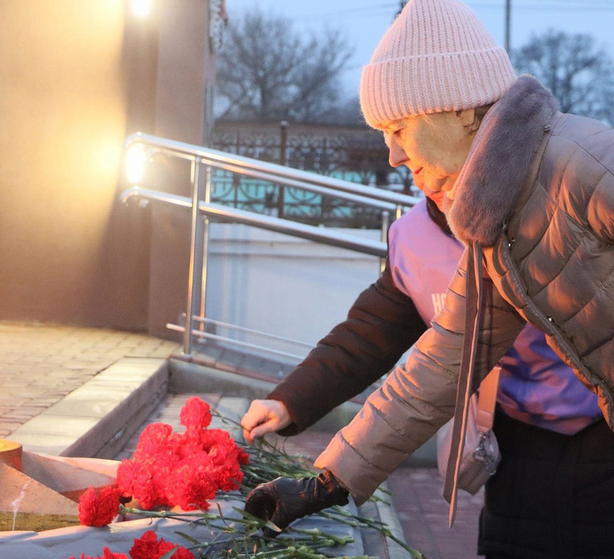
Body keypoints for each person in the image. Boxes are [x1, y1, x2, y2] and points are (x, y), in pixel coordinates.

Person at [242, 0, 614, 557]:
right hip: (526, 448)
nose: (392, 154)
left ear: (462, 110)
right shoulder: (492, 228)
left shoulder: (584, 165)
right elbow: (438, 363)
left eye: (399, 127)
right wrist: (330, 480)